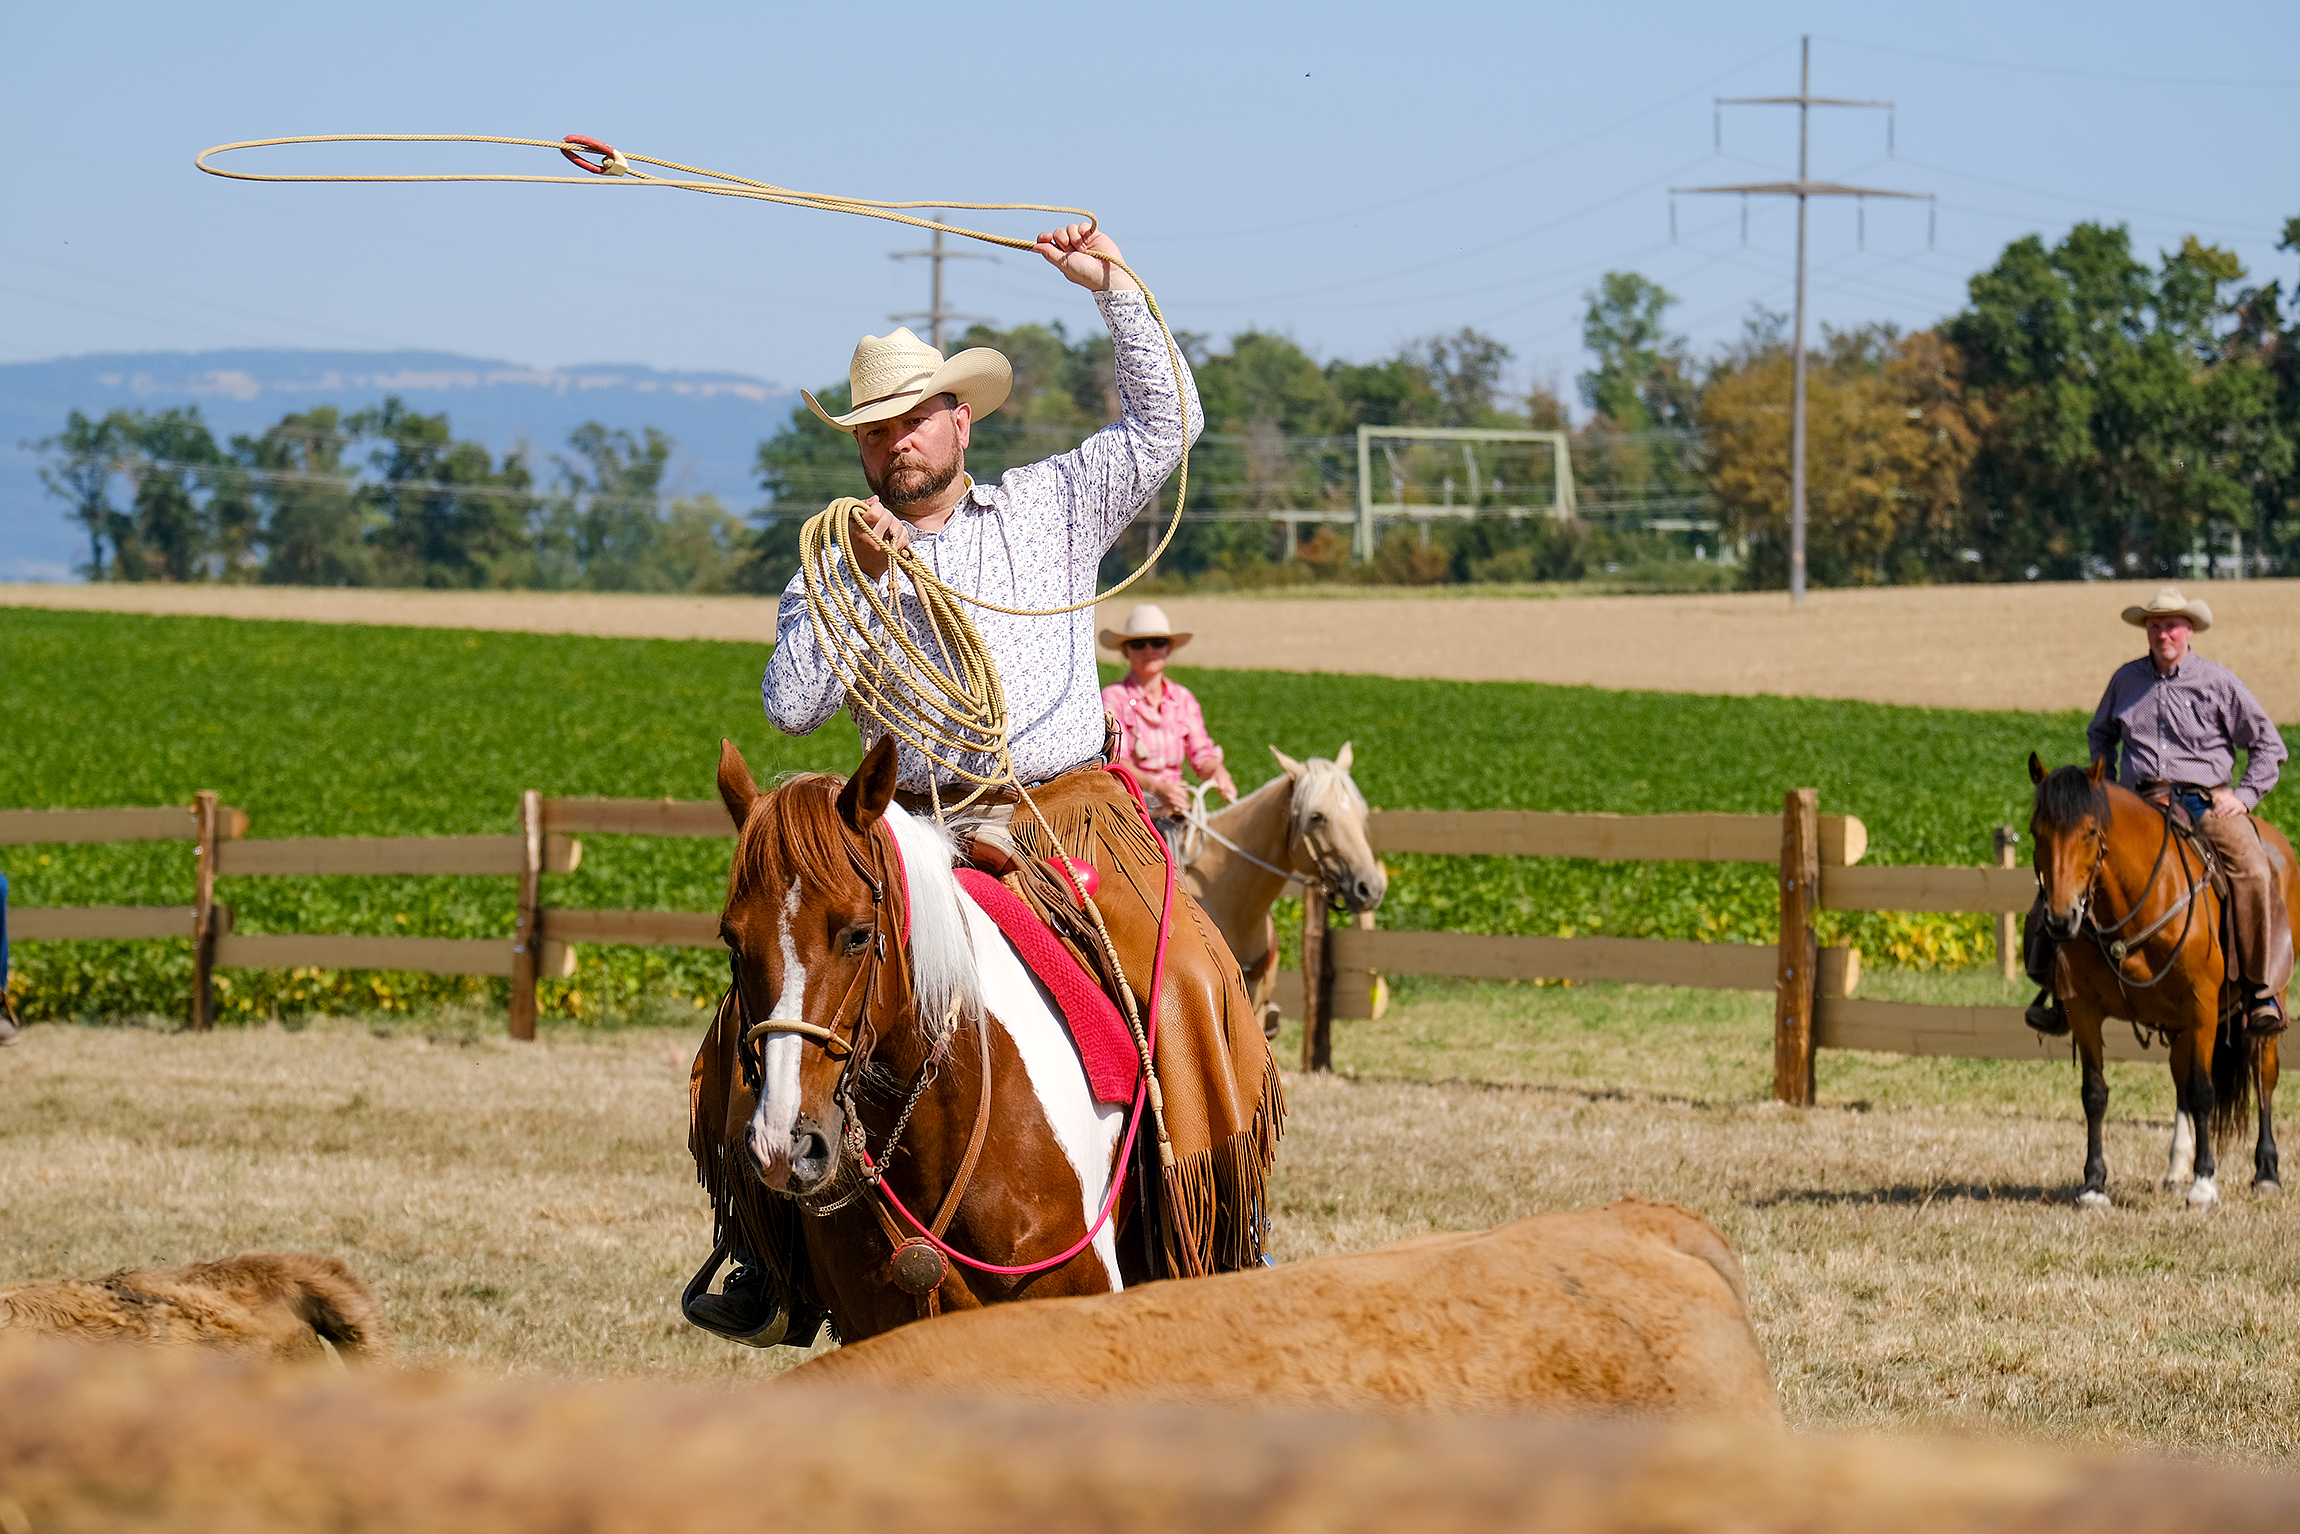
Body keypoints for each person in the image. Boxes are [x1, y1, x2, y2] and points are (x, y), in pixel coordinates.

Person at [691, 223, 1280, 1345]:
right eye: (875, 429)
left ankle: (1213, 1229)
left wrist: (1112, 286)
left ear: (960, 418)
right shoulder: (830, 562)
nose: (896, 443)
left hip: (1065, 810)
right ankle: (767, 1261)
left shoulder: (1052, 504)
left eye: (915, 418)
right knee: (752, 1021)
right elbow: (789, 705)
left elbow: (1170, 424)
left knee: (1187, 979)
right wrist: (858, 589)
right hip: (905, 830)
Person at [2026, 586, 2291, 1038]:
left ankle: (2259, 991)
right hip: (2137, 802)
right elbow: (2100, 733)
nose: (2163, 633)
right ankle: (2056, 986)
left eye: (2171, 625)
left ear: (2189, 630)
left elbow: (2269, 746)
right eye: (2155, 625)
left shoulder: (2218, 683)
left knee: (2255, 869)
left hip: (2202, 801)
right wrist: (2103, 788)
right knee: (2067, 864)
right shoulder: (2126, 681)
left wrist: (2243, 798)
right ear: (2146, 631)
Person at [1099, 603, 1237, 855]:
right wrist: (1157, 789)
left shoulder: (1183, 698)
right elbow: (1117, 761)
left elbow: (1202, 755)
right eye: (1139, 644)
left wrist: (1217, 771)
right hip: (1131, 811)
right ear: (1126, 652)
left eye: (1157, 642)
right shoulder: (1114, 698)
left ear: (1169, 649)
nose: (1149, 650)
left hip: (1178, 809)